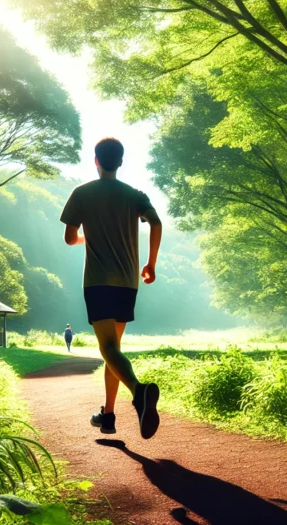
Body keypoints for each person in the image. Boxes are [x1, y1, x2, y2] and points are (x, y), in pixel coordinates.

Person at [60, 137, 163, 439]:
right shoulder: (135, 195)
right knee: (113, 351)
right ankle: (107, 415)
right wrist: (151, 264)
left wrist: (86, 238)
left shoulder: (81, 194)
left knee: (107, 349)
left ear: (96, 160)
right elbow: (155, 223)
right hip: (128, 283)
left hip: (98, 281)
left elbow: (69, 238)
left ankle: (139, 391)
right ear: (120, 162)